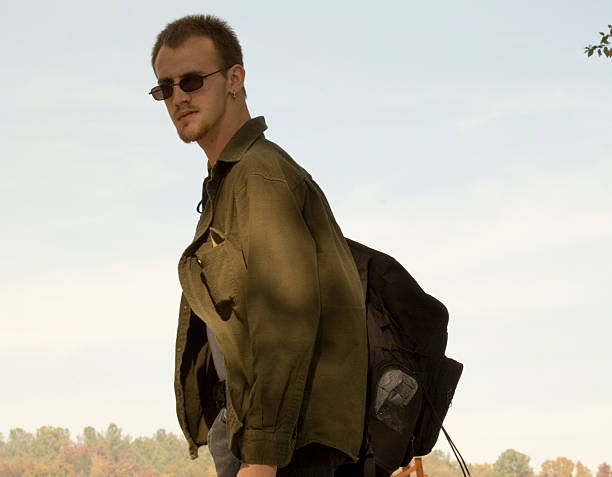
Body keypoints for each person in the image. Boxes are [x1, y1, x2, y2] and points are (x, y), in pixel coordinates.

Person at [149, 14, 368, 477]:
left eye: (191, 80)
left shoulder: (259, 176)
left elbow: (285, 320)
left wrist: (262, 459)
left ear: (235, 79)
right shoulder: (226, 186)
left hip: (286, 448)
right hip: (251, 432)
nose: (179, 97)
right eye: (165, 88)